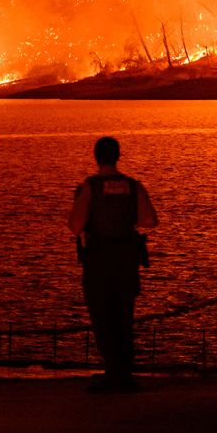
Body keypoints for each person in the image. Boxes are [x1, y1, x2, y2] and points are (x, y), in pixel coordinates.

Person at [68, 136, 158, 393]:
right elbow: (149, 221)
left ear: (96, 157)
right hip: (127, 260)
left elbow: (76, 227)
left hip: (99, 261)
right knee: (124, 316)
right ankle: (124, 374)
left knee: (103, 317)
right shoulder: (133, 186)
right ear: (118, 155)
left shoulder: (90, 187)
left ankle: (113, 374)